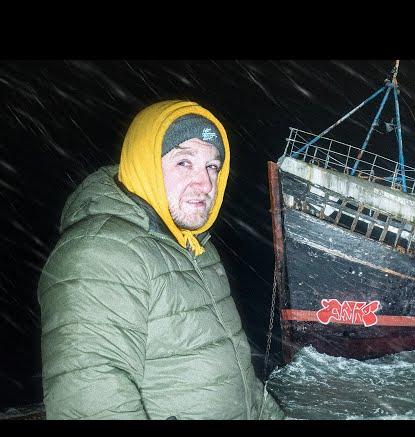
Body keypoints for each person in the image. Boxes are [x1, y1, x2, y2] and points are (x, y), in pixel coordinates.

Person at [37, 100, 284, 420]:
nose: (205, 184)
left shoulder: (197, 249)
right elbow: (91, 397)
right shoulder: (100, 252)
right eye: (184, 162)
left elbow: (236, 378)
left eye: (212, 166)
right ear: (145, 164)